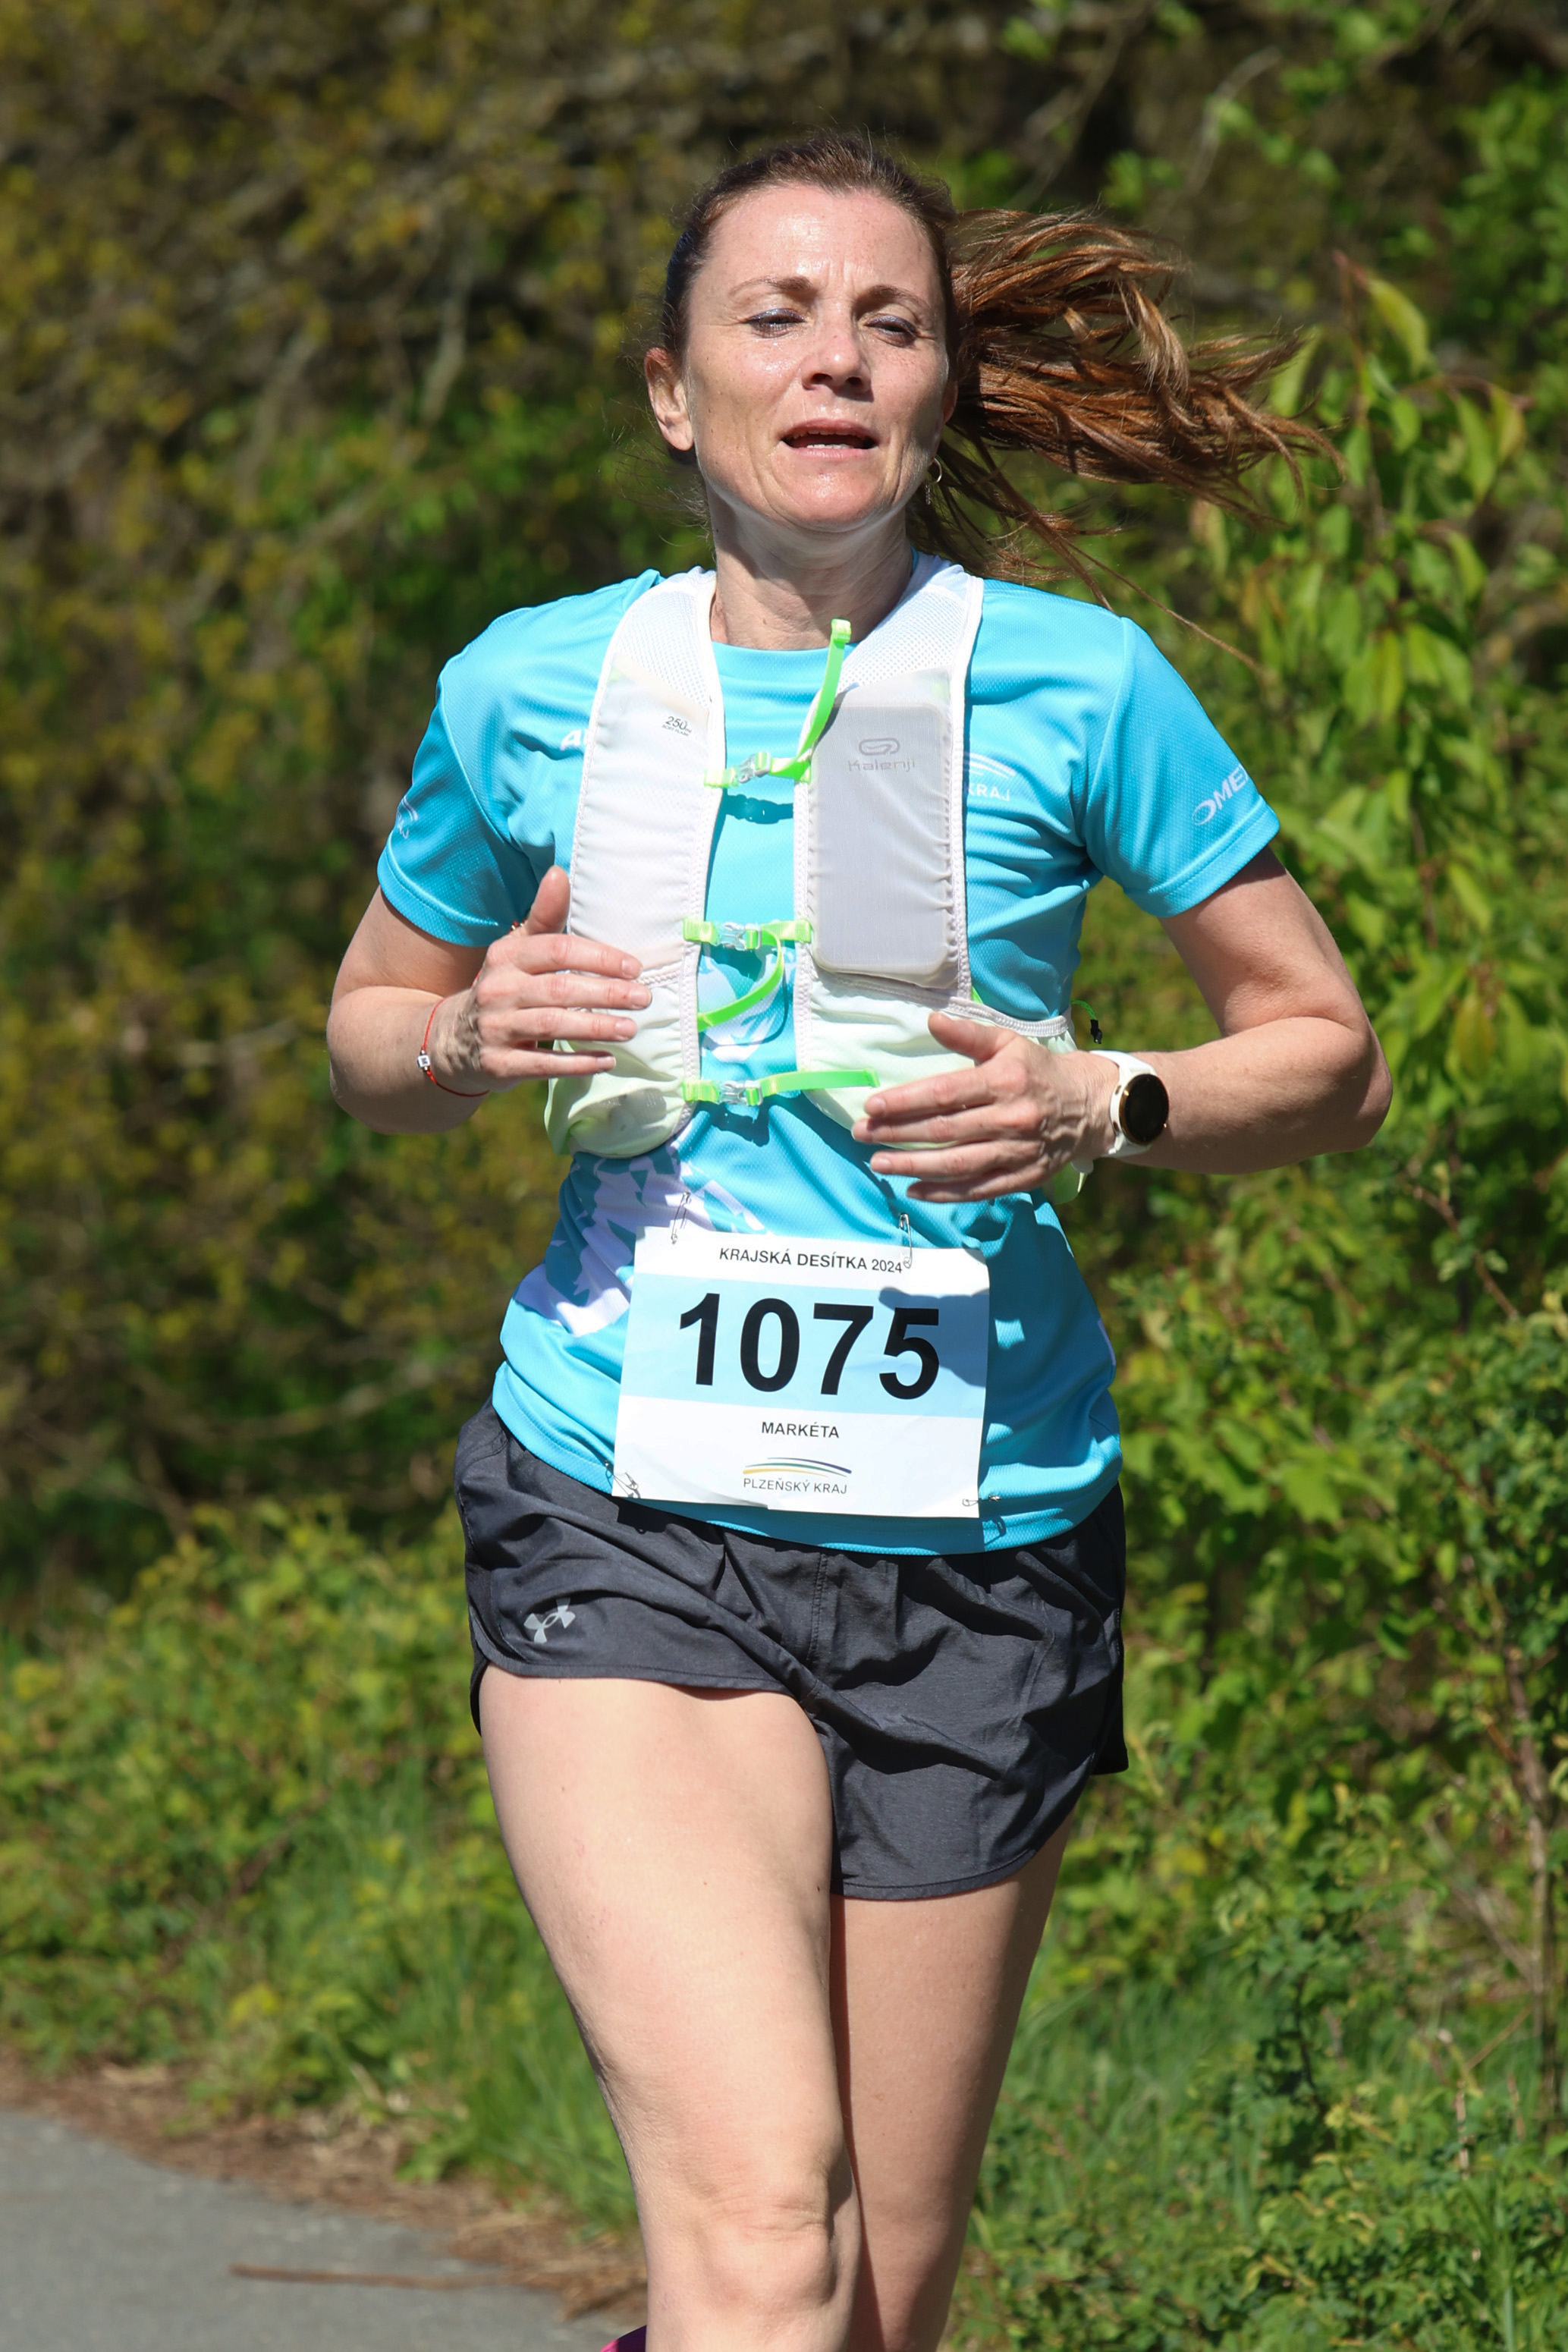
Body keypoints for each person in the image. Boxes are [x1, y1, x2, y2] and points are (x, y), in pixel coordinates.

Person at [327, 134, 1389, 2352]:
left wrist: (1105, 1098)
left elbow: (1325, 1053)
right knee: (764, 2230)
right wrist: (463, 1034)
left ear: (937, 388)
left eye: (888, 322)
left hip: (984, 1530)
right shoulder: (530, 684)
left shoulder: (1082, 686)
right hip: (625, 1498)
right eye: (776, 316)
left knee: (875, 2302)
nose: (834, 359)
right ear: (671, 388)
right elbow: (369, 1028)